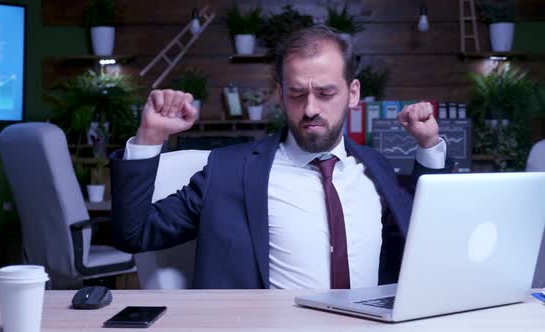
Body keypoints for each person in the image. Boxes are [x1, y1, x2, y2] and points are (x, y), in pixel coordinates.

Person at [110, 26, 450, 289]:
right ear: (280, 95)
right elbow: (134, 234)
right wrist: (150, 137)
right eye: (297, 93)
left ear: (353, 93)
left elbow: (425, 232)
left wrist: (429, 147)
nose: (311, 108)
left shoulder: (375, 166)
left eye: (326, 92)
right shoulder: (228, 170)